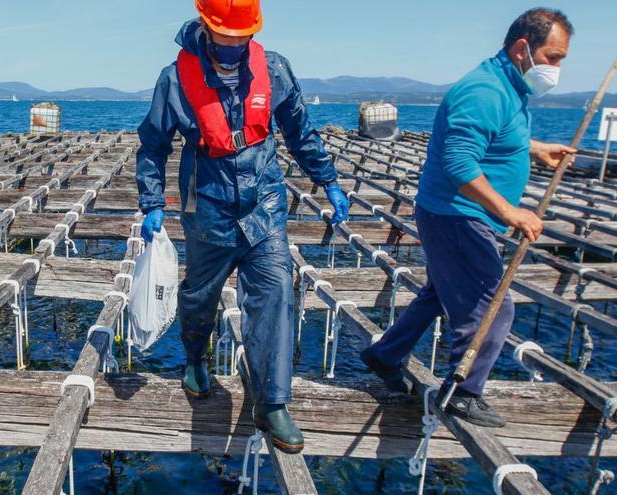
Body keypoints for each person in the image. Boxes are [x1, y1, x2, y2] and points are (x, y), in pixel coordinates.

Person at [135, 0, 350, 453]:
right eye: (226, 38)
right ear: (207, 28)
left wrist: (327, 179)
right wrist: (151, 201)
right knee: (199, 294)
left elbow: (300, 131)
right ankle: (194, 358)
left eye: (243, 38)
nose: (234, 45)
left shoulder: (275, 69)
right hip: (207, 204)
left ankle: (272, 402)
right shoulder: (174, 79)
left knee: (276, 291)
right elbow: (152, 146)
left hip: (265, 201)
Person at [360, 8, 576, 428]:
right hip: (458, 216)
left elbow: (495, 135)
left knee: (439, 293)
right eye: (554, 57)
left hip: (456, 216)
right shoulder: (484, 91)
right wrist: (509, 210)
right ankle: (462, 392)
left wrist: (534, 148)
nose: (557, 68)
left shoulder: (507, 88)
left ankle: (384, 354)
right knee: (492, 307)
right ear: (521, 49)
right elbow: (459, 165)